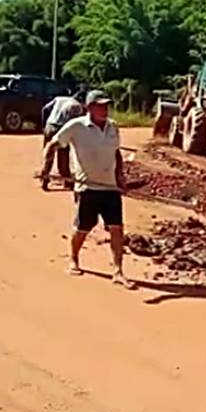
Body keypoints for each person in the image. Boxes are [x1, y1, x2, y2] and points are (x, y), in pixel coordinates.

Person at [41, 90, 133, 288]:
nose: (105, 109)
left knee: (117, 229)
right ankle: (73, 259)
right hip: (87, 187)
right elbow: (54, 143)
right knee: (83, 228)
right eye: (100, 106)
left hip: (110, 187)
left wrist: (120, 177)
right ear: (89, 108)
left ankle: (118, 270)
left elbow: (116, 153)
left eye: (106, 106)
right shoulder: (76, 126)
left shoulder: (113, 127)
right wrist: (45, 165)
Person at [40, 93, 84, 190]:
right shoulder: (77, 106)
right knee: (63, 157)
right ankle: (67, 181)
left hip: (49, 126)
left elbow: (44, 109)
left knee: (49, 154)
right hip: (61, 128)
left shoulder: (59, 99)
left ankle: (44, 179)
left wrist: (43, 126)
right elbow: (75, 123)